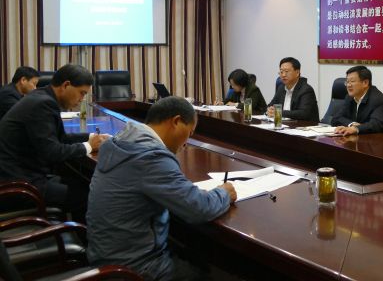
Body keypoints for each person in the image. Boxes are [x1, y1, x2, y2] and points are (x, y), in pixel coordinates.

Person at [87, 96, 237, 281]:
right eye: (189, 133)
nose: (186, 143)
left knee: (188, 253)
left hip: (103, 258)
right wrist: (224, 193)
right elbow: (199, 208)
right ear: (176, 121)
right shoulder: (151, 158)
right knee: (207, 273)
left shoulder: (119, 142)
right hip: (133, 269)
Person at [0, 64, 108, 220]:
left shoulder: (42, 96)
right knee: (88, 195)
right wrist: (89, 146)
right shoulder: (43, 103)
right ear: (66, 85)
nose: (82, 100)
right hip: (19, 185)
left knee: (81, 182)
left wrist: (90, 137)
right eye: (82, 93)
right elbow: (52, 152)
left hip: (21, 173)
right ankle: (79, 234)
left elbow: (59, 138)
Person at [331, 66, 383, 136]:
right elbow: (336, 118)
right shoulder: (349, 97)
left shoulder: (379, 100)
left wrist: (356, 128)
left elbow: (375, 125)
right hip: (362, 138)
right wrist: (352, 124)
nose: (348, 85)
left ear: (365, 83)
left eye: (352, 81)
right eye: (347, 82)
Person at [267, 57, 319, 122]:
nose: (283, 75)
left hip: (304, 126)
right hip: (284, 125)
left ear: (297, 73)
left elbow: (304, 113)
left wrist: (279, 112)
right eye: (281, 72)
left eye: (286, 71)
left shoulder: (306, 90)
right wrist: (270, 110)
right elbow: (271, 105)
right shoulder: (281, 88)